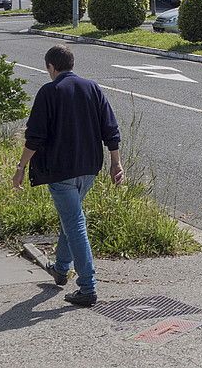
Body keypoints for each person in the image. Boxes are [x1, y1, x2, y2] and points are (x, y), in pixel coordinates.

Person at [13, 45, 123, 307]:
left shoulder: (49, 92)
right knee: (71, 217)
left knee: (74, 223)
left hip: (60, 170)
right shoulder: (93, 88)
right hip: (89, 168)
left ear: (52, 67)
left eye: (47, 69)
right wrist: (116, 164)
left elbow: (35, 137)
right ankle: (61, 268)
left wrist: (20, 168)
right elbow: (111, 130)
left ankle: (88, 287)